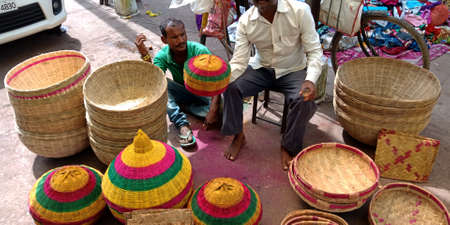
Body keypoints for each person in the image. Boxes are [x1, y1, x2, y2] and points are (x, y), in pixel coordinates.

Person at [221, 0, 323, 170]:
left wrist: (310, 79)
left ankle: (288, 146)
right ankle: (238, 135)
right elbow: (239, 61)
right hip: (262, 68)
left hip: (294, 69)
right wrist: (221, 81)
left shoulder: (300, 11)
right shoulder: (246, 21)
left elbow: (314, 51)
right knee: (231, 88)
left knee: (304, 100)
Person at [135, 18, 221, 148]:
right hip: (184, 91)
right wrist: (145, 55)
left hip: (207, 94)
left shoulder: (200, 51)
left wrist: (214, 110)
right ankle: (182, 125)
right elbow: (154, 80)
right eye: (174, 37)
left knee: (222, 110)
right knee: (162, 85)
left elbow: (218, 82)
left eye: (182, 34)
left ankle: (186, 107)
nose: (181, 40)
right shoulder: (162, 56)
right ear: (164, 40)